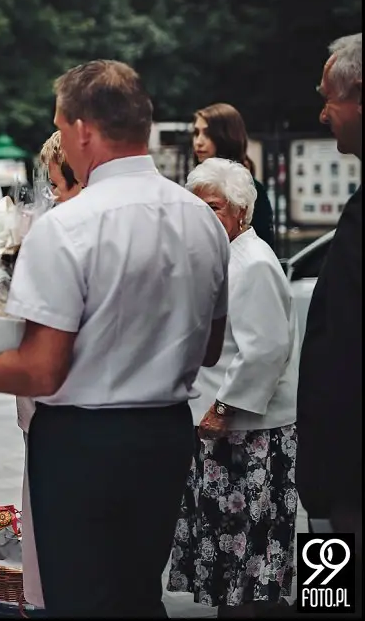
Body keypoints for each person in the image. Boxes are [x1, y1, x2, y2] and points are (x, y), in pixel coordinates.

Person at [0, 60, 230, 616]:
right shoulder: (201, 218)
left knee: (79, 598)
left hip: (83, 441)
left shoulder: (67, 228)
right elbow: (212, 347)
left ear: (80, 130)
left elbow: (42, 369)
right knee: (138, 593)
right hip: (167, 433)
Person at [168, 157, 298, 616]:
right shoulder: (225, 256)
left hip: (249, 433)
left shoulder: (254, 262)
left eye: (215, 208)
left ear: (240, 211)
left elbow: (265, 349)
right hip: (226, 428)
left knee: (253, 555)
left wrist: (221, 409)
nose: (204, 218)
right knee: (234, 557)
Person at [296, 33, 362, 593]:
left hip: (347, 464)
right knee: (329, 591)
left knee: (334, 593)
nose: (322, 112)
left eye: (329, 97)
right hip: (334, 466)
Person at [11, 130, 84, 612]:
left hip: (68, 407)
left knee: (69, 541)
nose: (52, 196)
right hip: (54, 408)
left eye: (58, 185)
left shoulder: (66, 235)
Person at [191, 103, 276, 251]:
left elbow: (261, 246)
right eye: (196, 133)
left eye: (207, 134)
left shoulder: (253, 190)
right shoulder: (195, 186)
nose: (199, 142)